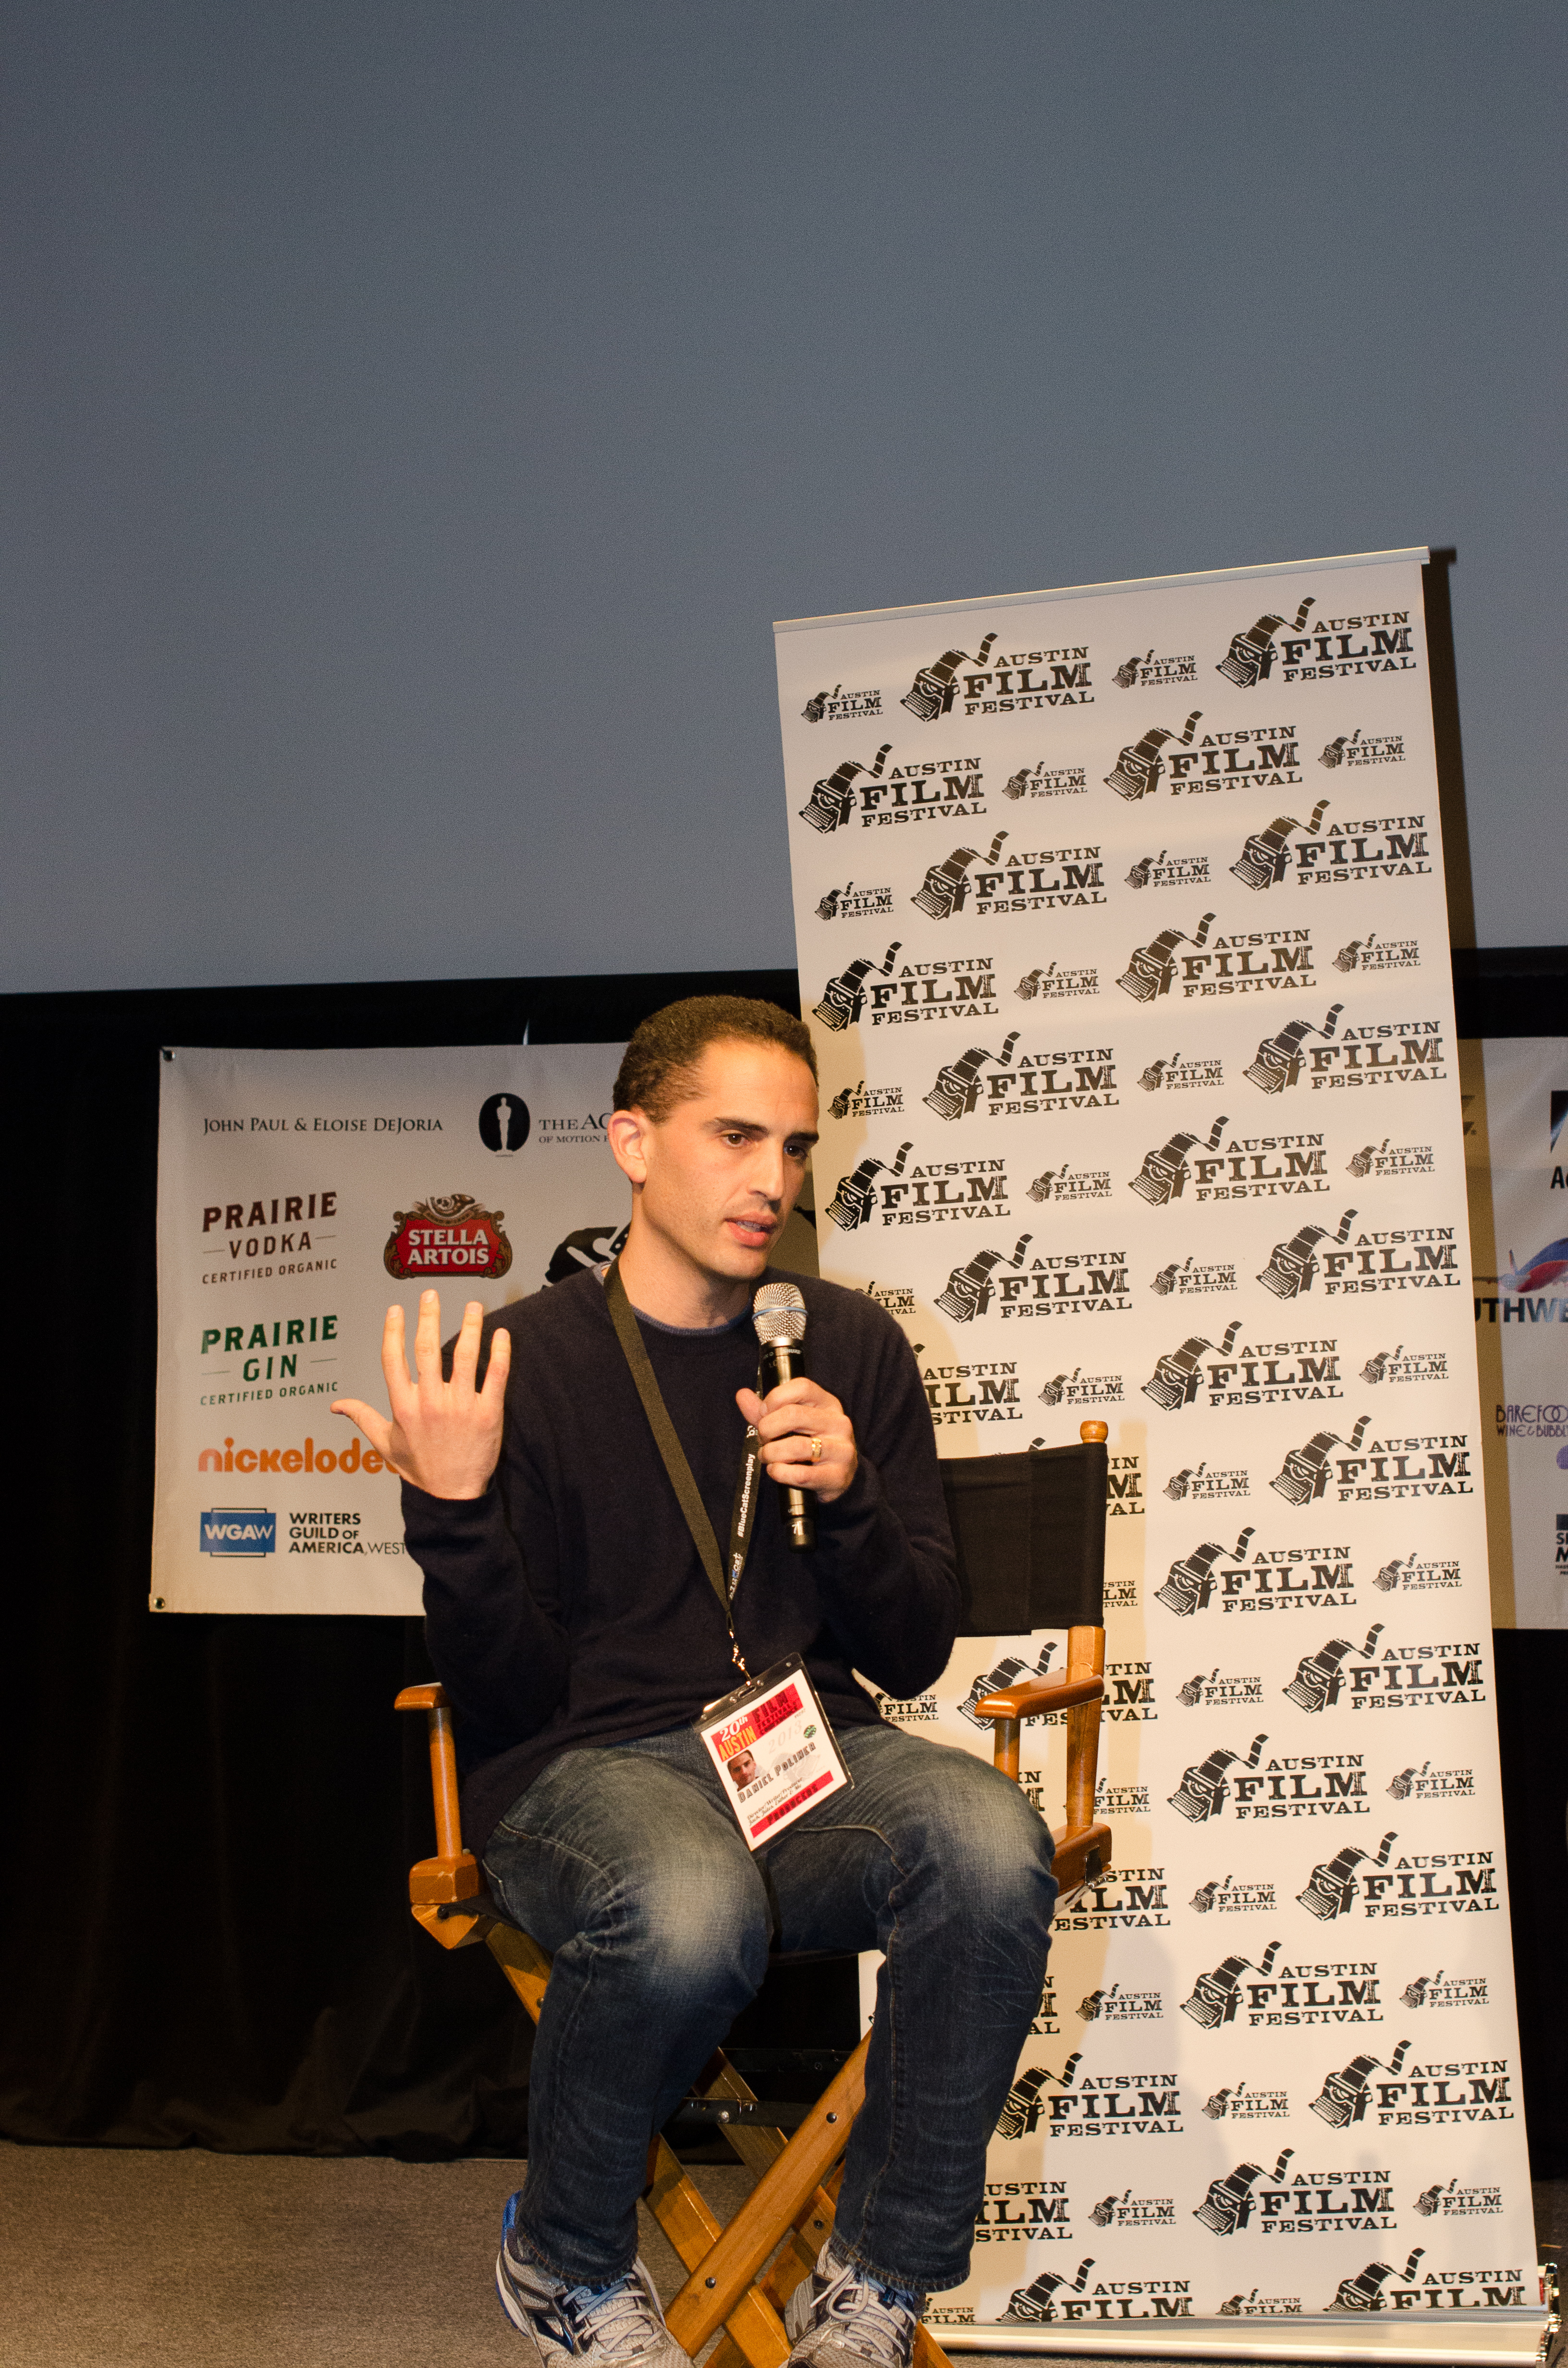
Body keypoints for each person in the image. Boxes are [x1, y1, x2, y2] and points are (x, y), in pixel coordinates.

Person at [333, 997, 1055, 2368]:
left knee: (986, 1839)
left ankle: (878, 2280)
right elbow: (505, 1689)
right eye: (734, 1137)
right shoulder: (522, 1363)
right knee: (685, 1903)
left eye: (794, 1144)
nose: (772, 1181)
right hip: (582, 1770)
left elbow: (911, 1653)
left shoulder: (844, 1347)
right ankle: (567, 2259)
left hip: (804, 1754)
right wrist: (451, 1512)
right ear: (631, 1142)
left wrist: (846, 1496)